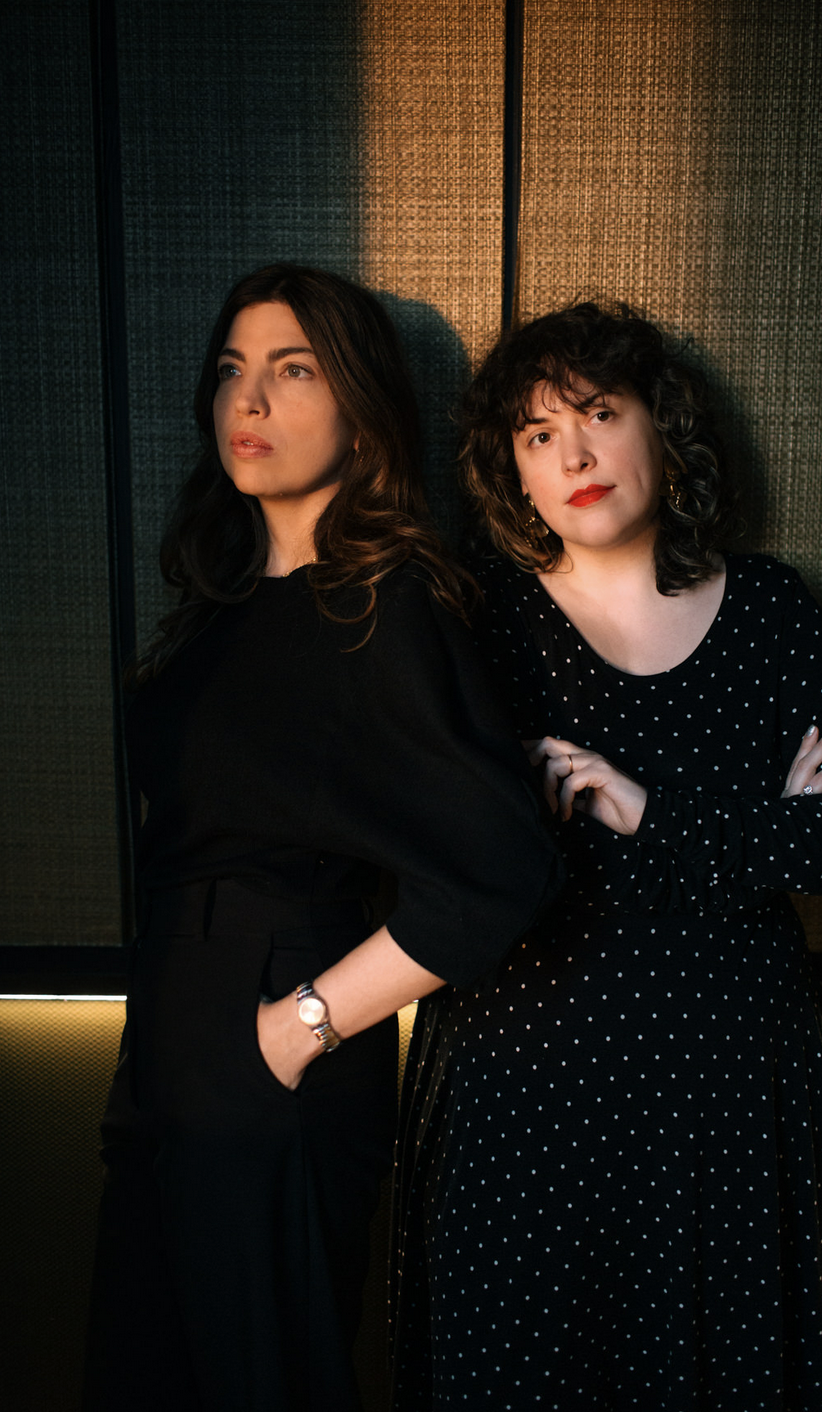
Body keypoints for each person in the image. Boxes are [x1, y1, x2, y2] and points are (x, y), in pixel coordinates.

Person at [392, 300, 822, 1409]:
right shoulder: (478, 619)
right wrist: (763, 826)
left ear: (659, 428)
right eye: (539, 434)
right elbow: (439, 847)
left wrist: (645, 811)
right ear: (513, 473)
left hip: (730, 1092)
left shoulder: (770, 608)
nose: (574, 455)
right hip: (527, 1081)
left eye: (599, 412)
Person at [82, 263, 558, 1412]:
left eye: (292, 370)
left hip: (275, 1032)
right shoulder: (216, 612)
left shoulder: (386, 604)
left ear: (360, 407)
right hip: (167, 1035)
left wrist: (298, 1027)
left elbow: (502, 868)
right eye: (231, 370)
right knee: (144, 1375)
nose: (248, 399)